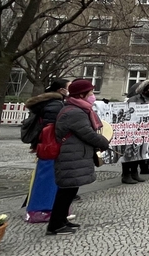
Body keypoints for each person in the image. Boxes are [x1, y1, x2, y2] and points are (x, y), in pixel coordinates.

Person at [47, 79, 110, 235]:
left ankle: (62, 220)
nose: (93, 95)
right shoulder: (74, 112)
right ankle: (55, 225)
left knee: (70, 189)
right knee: (66, 191)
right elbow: (87, 133)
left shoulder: (78, 109)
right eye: (90, 93)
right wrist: (103, 142)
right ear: (81, 94)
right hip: (70, 156)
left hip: (75, 154)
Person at [22, 78, 69, 222]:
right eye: (69, 87)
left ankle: (46, 207)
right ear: (61, 90)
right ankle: (41, 209)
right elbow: (52, 128)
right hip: (51, 145)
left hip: (47, 145)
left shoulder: (51, 103)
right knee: (47, 176)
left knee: (48, 175)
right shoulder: (55, 105)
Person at [120, 79, 149, 184]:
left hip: (145, 130)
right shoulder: (133, 99)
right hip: (132, 130)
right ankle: (126, 174)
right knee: (129, 152)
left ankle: (135, 173)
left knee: (139, 153)